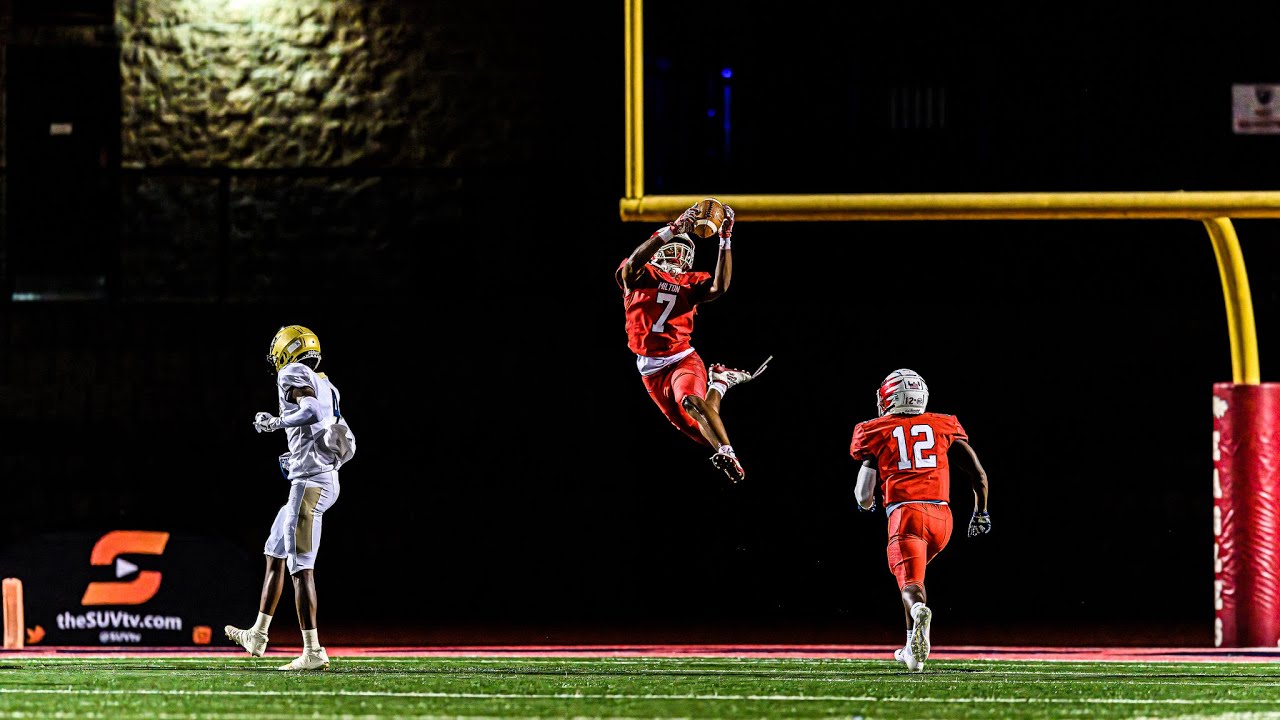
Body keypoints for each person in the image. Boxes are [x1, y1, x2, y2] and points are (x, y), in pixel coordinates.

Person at [224, 325, 356, 671]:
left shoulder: (291, 372)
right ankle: (259, 633)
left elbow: (310, 412)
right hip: (323, 477)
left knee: (301, 566)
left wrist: (276, 423)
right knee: (274, 550)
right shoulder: (328, 383)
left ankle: (312, 650)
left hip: (311, 482)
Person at [616, 201, 770, 483]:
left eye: (683, 252)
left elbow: (719, 287)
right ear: (659, 251)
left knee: (694, 406)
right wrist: (671, 229)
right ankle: (721, 382)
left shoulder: (689, 282)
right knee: (702, 431)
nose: (679, 257)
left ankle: (729, 453)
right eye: (673, 249)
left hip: (681, 358)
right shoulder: (639, 275)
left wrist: (725, 239)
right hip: (650, 371)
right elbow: (634, 263)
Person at [850, 369, 990, 672]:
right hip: (944, 518)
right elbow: (978, 474)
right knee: (914, 580)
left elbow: (863, 494)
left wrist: (867, 504)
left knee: (911, 586)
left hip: (906, 515)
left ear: (889, 397)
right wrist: (981, 512)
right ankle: (910, 646)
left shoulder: (875, 430)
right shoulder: (943, 424)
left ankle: (917, 626)